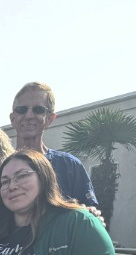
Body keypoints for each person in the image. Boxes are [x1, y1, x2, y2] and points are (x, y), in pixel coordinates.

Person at [9, 82, 100, 210]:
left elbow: (90, 213)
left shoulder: (69, 166)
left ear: (50, 119)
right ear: (13, 118)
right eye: (21, 110)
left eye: (38, 110)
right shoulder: (2, 168)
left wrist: (91, 213)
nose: (29, 116)